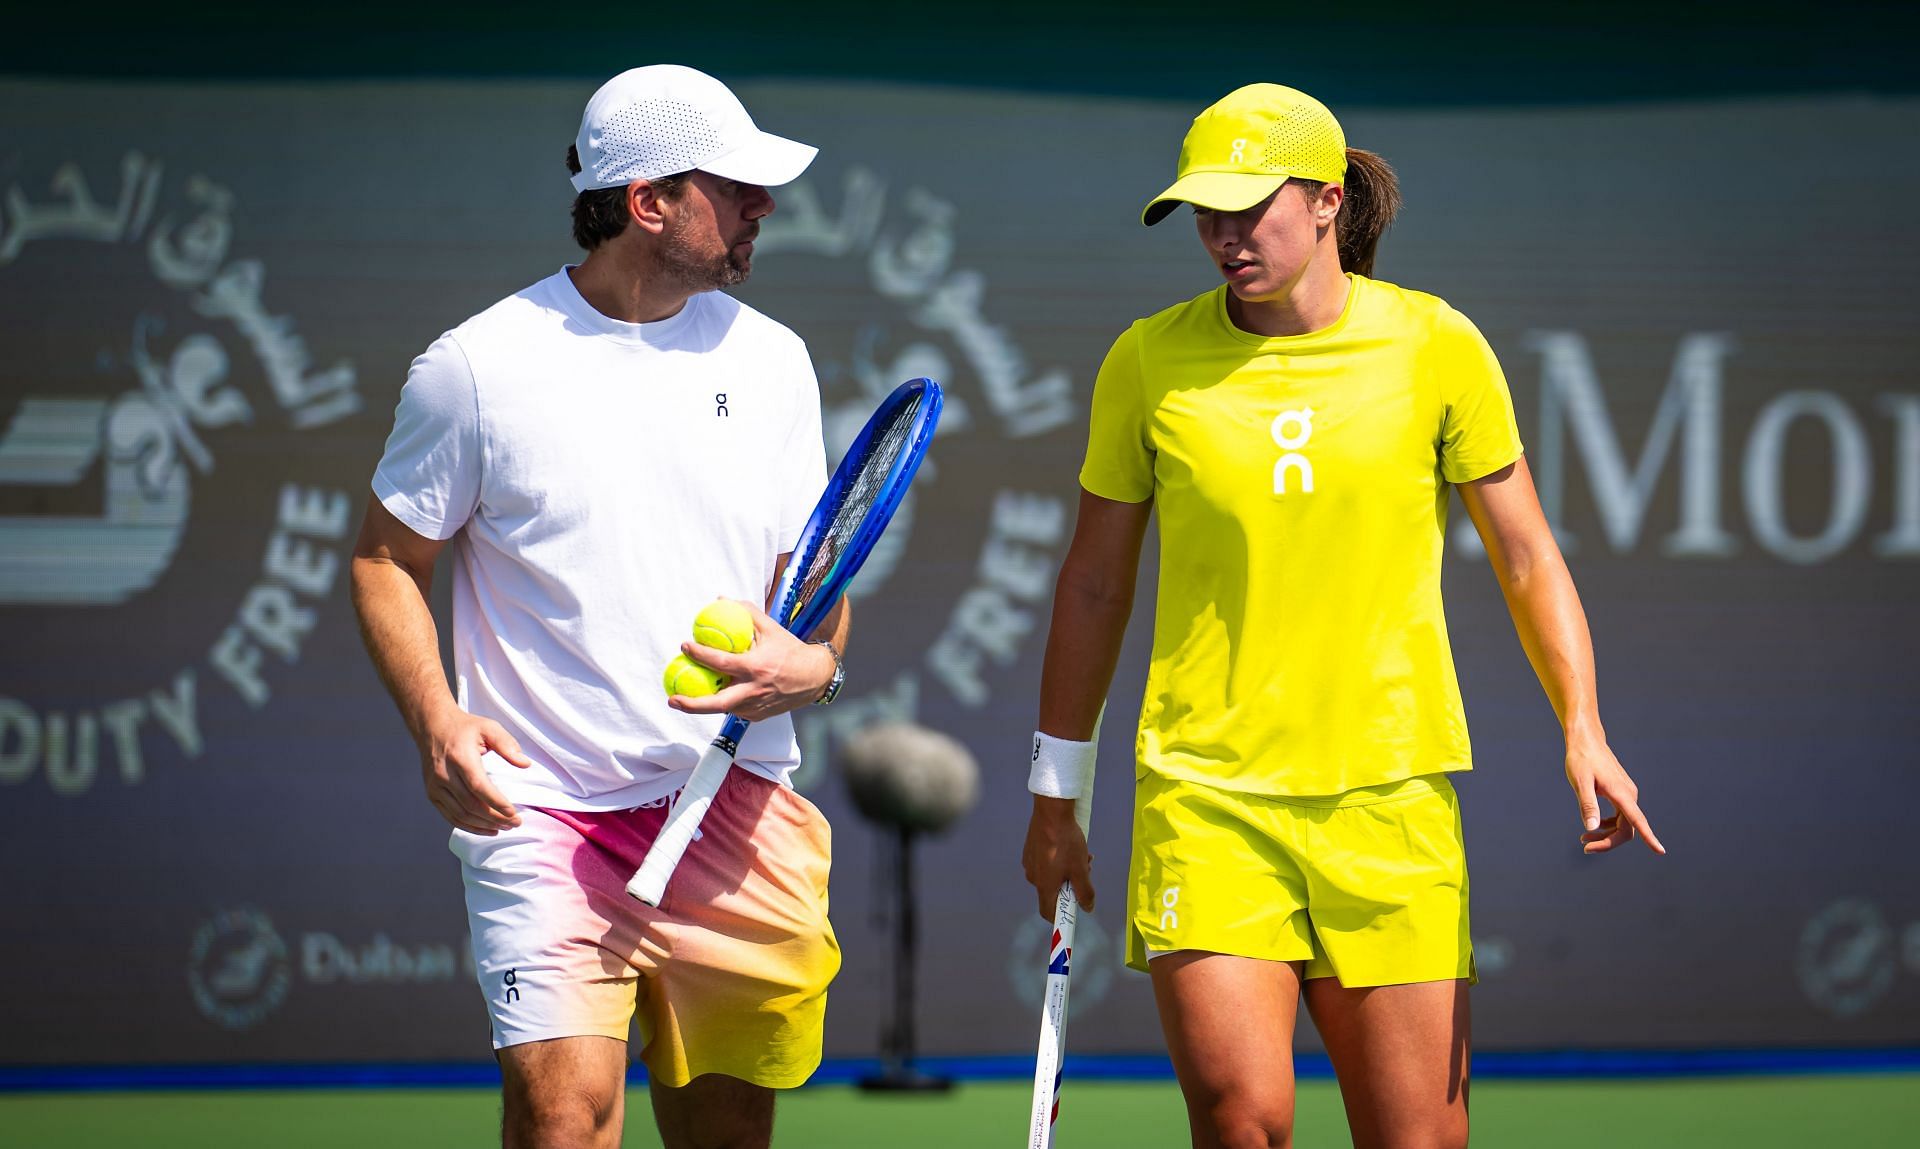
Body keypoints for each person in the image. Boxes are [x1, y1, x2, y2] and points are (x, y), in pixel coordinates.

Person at [1020, 83, 1665, 1149]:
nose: (1223, 237)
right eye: (1204, 214)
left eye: (1248, 207)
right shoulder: (1146, 362)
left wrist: (1582, 725)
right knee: (1243, 1121)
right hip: (1206, 799)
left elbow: (1525, 551)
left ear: (1325, 201)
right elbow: (1093, 584)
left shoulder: (1436, 344)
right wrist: (1056, 795)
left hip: (1390, 799)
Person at [350, 64, 849, 1149]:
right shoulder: (475, 369)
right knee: (561, 1118)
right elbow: (386, 559)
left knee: (723, 1134)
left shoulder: (775, 364)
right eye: (736, 184)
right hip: (546, 812)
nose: (763, 205)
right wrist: (437, 718)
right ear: (648, 201)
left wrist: (813, 670)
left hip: (734, 804)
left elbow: (811, 592)